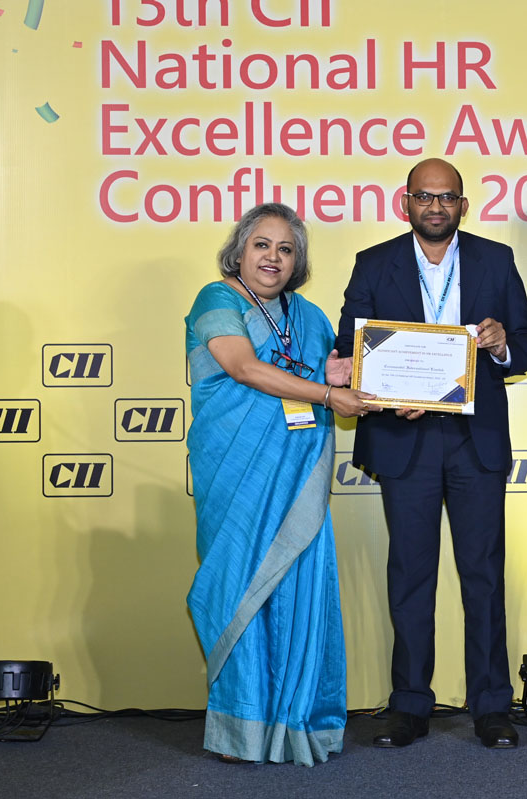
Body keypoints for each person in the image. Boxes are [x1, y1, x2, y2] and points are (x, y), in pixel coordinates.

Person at [333, 158, 527, 750]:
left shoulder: (494, 260)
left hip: (475, 440)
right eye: (424, 196)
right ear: (405, 203)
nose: (435, 206)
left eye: (447, 197)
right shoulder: (373, 263)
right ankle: (409, 704)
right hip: (405, 441)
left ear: (463, 205)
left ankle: (492, 705)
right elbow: (349, 347)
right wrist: (384, 392)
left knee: (484, 576)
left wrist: (502, 345)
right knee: (410, 576)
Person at [185, 202, 377, 766]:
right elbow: (243, 367)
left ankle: (297, 724)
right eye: (262, 245)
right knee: (240, 585)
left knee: (298, 588)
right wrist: (327, 393)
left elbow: (321, 373)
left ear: (298, 262)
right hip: (235, 471)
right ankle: (243, 730)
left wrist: (338, 377)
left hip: (298, 475)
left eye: (286, 249)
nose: (273, 257)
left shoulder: (309, 316)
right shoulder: (217, 300)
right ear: (239, 251)